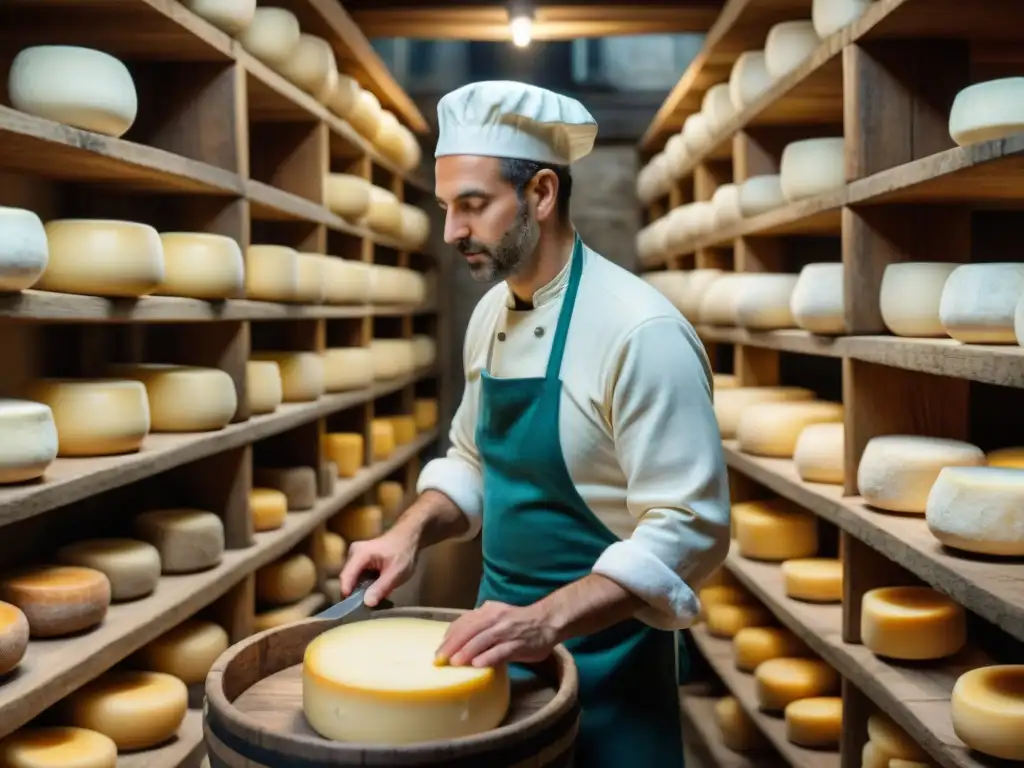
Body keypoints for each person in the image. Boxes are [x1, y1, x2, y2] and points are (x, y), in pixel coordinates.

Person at [339, 80, 730, 767]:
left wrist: (546, 619)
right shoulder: (491, 316)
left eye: (473, 205)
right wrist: (409, 532)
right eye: (445, 207)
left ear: (542, 194)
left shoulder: (641, 332)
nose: (451, 231)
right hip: (500, 652)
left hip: (610, 669)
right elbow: (471, 458)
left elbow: (690, 527)